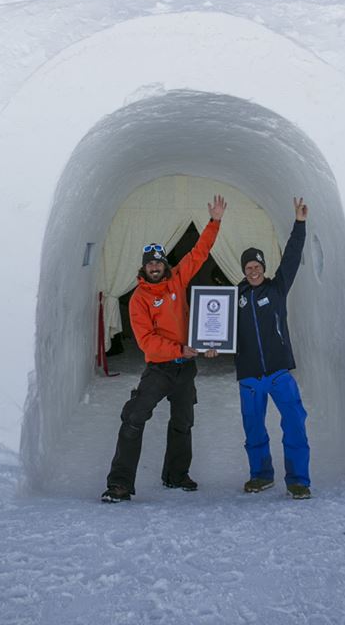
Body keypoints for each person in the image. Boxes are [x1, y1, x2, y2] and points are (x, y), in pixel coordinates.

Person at [101, 194, 227, 503]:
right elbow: (147, 342)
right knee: (134, 416)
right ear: (144, 267)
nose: (155, 267)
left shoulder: (177, 280)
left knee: (183, 422)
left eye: (159, 262)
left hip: (185, 368)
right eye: (150, 264)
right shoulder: (139, 299)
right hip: (160, 368)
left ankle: (176, 474)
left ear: (165, 264)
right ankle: (119, 484)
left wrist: (214, 221)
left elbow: (199, 253)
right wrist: (179, 349)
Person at [236, 196, 311, 499]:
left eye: (257, 266)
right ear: (243, 270)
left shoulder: (277, 287)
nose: (253, 271)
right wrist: (211, 346)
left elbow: (291, 257)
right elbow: (219, 327)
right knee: (254, 429)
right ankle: (261, 475)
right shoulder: (236, 297)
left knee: (294, 424)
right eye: (248, 267)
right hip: (250, 376)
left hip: (279, 372)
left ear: (264, 268)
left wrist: (299, 224)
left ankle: (298, 480)